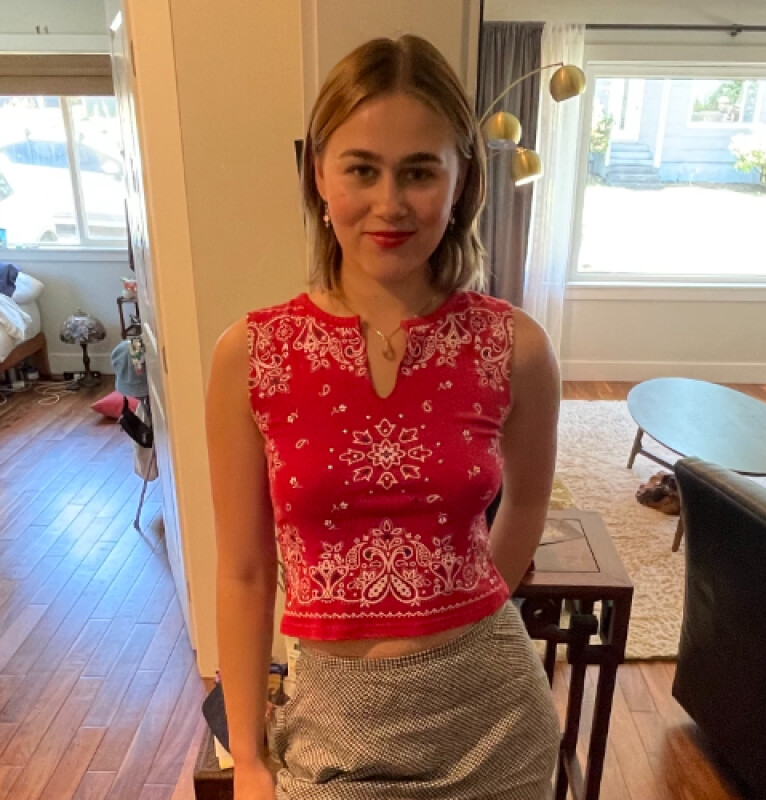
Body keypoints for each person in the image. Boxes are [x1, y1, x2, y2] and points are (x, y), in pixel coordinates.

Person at [205, 34, 561, 800]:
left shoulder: (516, 347)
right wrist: (250, 757)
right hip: (331, 729)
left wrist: (457, 617)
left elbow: (528, 503)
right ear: (318, 174)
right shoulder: (251, 355)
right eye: (362, 168)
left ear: (463, 181)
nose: (391, 203)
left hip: (494, 722)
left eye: (420, 171)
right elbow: (243, 571)